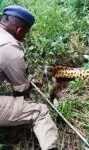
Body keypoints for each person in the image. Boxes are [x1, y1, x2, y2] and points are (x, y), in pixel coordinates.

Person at [0, 5, 58, 150]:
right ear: (20, 31)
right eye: (25, 33)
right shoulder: (11, 48)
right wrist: (28, 84)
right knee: (40, 111)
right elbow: (20, 91)